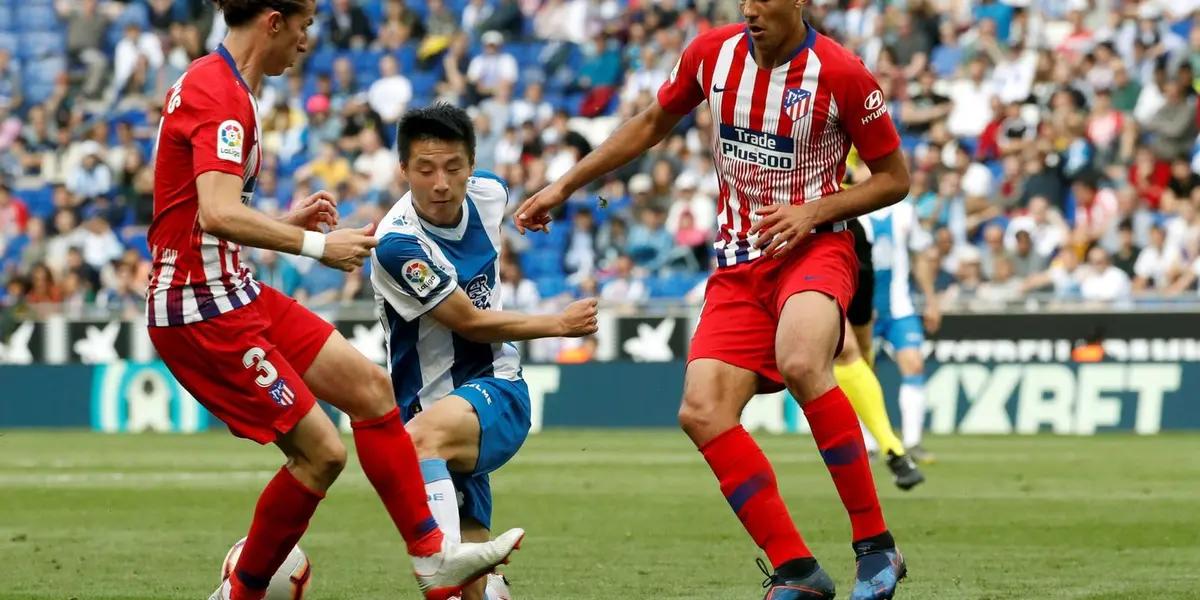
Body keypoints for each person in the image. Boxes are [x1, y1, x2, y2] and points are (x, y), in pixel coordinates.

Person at [515, 2, 911, 598]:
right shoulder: (711, 53)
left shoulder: (841, 73)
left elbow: (895, 178)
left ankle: (876, 548)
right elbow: (651, 123)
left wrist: (813, 211)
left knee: (805, 362)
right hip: (736, 264)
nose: (751, 8)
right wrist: (565, 185)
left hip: (815, 247)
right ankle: (798, 570)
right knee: (702, 412)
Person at [143, 3, 523, 600]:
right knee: (321, 453)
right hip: (201, 307)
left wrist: (278, 224)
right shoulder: (222, 95)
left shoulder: (217, 82)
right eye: (304, 24)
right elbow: (216, 212)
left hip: (233, 286)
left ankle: (432, 558)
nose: (306, 39)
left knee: (371, 390)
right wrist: (316, 244)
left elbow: (198, 215)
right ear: (274, 21)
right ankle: (240, 594)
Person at [372, 104, 599, 600]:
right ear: (403, 171)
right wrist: (557, 324)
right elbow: (468, 321)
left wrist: (537, 209)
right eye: (425, 169)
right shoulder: (397, 244)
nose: (440, 183)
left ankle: (439, 561)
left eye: (454, 167)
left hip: (497, 390)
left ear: (472, 164)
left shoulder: (491, 193)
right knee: (471, 588)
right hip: (431, 410)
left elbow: (511, 203)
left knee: (416, 443)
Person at [865, 198, 939, 464]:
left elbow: (920, 258)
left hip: (901, 308)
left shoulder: (905, 212)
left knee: (914, 365)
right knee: (863, 374)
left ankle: (913, 442)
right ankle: (870, 445)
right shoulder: (853, 209)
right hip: (864, 309)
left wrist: (931, 301)